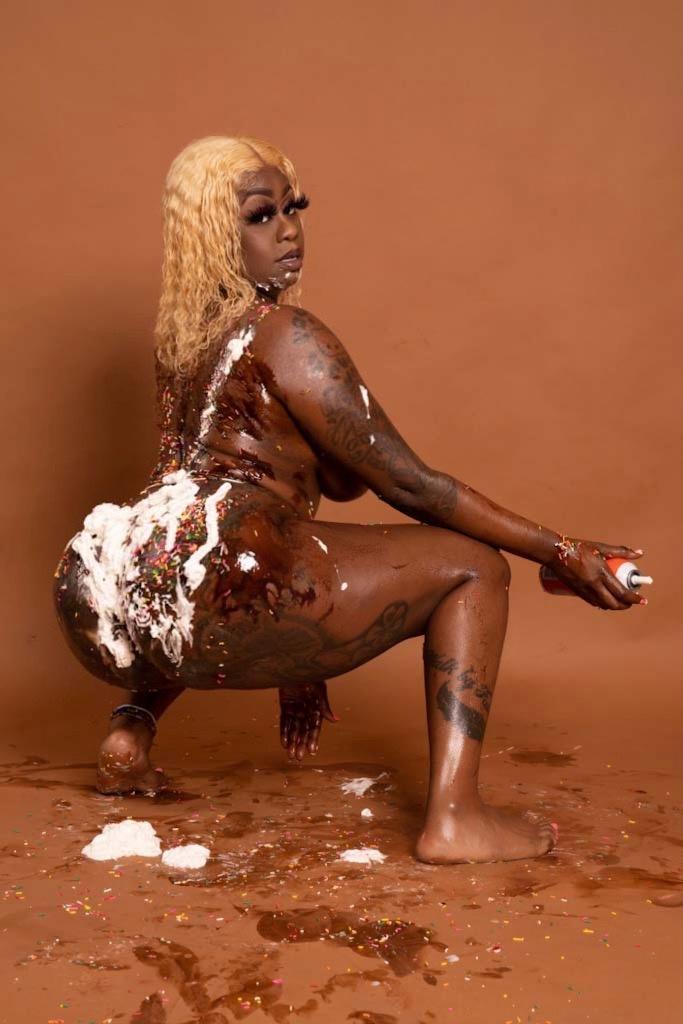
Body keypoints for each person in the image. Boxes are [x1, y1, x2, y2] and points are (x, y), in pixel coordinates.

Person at [53, 135, 646, 864]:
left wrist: (299, 656)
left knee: (187, 560)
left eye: (293, 208)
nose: (288, 231)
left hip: (106, 593)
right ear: (212, 236)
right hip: (227, 578)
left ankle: (130, 729)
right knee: (474, 567)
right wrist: (562, 551)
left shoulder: (182, 342)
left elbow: (210, 526)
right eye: (260, 216)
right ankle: (455, 818)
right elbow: (412, 485)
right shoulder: (287, 334)